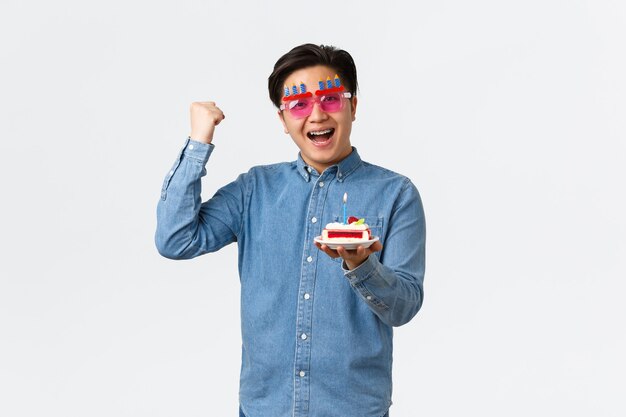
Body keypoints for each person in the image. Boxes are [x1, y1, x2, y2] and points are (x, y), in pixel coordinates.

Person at [155, 43, 426, 417]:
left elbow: (405, 306)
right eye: (298, 104)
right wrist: (199, 141)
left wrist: (362, 265)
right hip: (264, 409)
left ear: (354, 107)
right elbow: (175, 239)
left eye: (330, 99)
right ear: (283, 120)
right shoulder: (254, 190)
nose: (316, 115)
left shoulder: (396, 194)